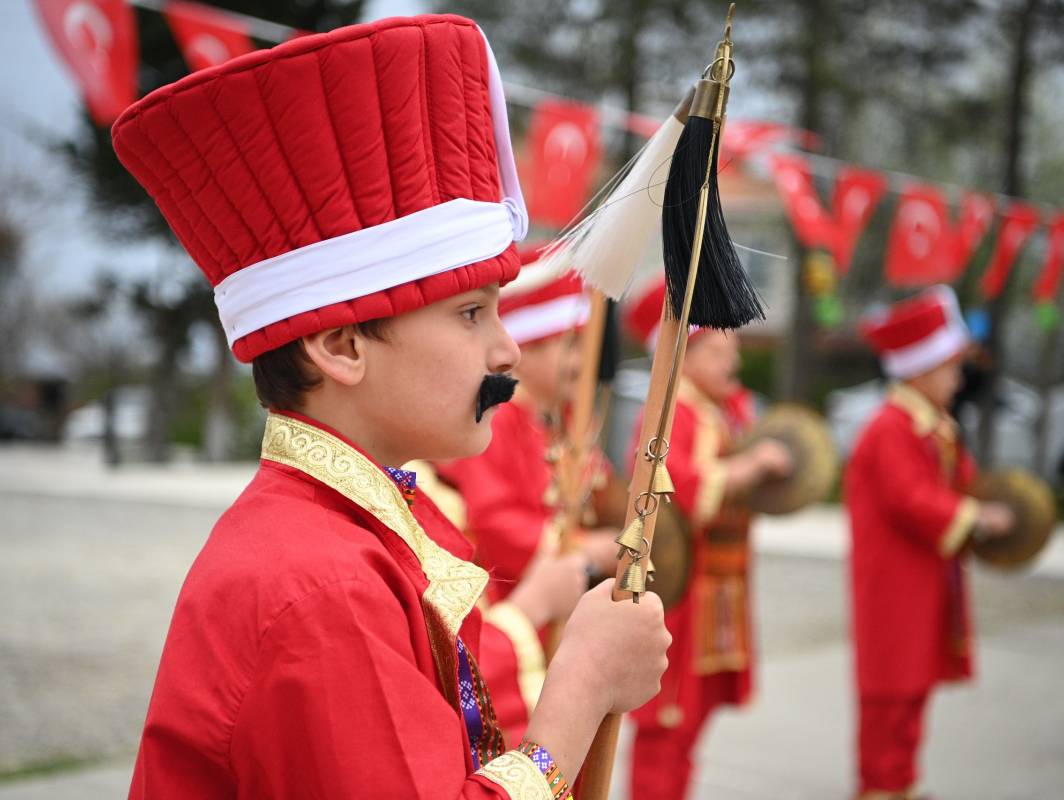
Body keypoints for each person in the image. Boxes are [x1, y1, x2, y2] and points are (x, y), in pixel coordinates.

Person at [111, 15, 670, 798]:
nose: (506, 352)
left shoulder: (342, 535)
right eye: (472, 313)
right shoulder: (321, 585)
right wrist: (578, 694)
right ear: (341, 347)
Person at [621, 279, 793, 800]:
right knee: (666, 728)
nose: (733, 360)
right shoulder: (672, 414)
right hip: (680, 597)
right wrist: (750, 466)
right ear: (684, 355)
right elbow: (682, 491)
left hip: (714, 592)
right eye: (719, 348)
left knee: (689, 731)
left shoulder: (718, 409)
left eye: (733, 347)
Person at [846, 286, 1013, 800]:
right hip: (893, 584)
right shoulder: (889, 429)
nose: (959, 378)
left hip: (924, 578)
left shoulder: (934, 427)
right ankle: (880, 783)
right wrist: (974, 516)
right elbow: (910, 499)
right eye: (951, 367)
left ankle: (902, 780)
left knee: (915, 685)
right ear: (919, 370)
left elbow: (958, 481)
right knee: (889, 692)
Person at [438, 247, 619, 604]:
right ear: (528, 347)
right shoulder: (496, 415)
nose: (583, 362)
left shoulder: (568, 418)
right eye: (573, 346)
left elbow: (594, 491)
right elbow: (491, 518)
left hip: (560, 587)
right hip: (512, 593)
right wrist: (580, 548)